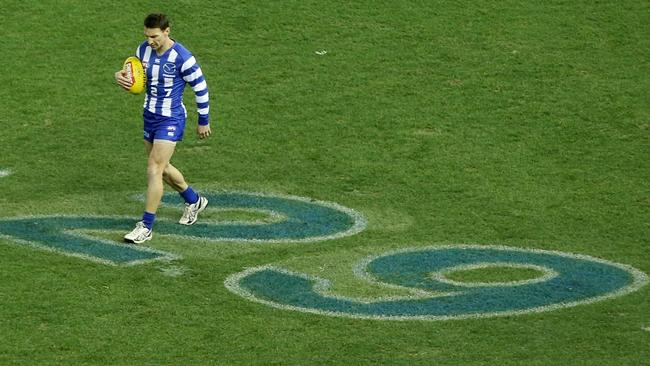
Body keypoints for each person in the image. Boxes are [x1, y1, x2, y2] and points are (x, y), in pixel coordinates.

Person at [115, 13, 212, 244]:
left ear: (167, 31)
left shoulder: (183, 58)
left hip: (171, 118)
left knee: (154, 168)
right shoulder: (143, 50)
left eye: (155, 36)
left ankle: (146, 226)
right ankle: (194, 200)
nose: (150, 41)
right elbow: (132, 76)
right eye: (147, 36)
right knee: (163, 167)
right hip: (149, 115)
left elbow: (201, 88)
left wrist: (203, 120)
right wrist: (119, 76)